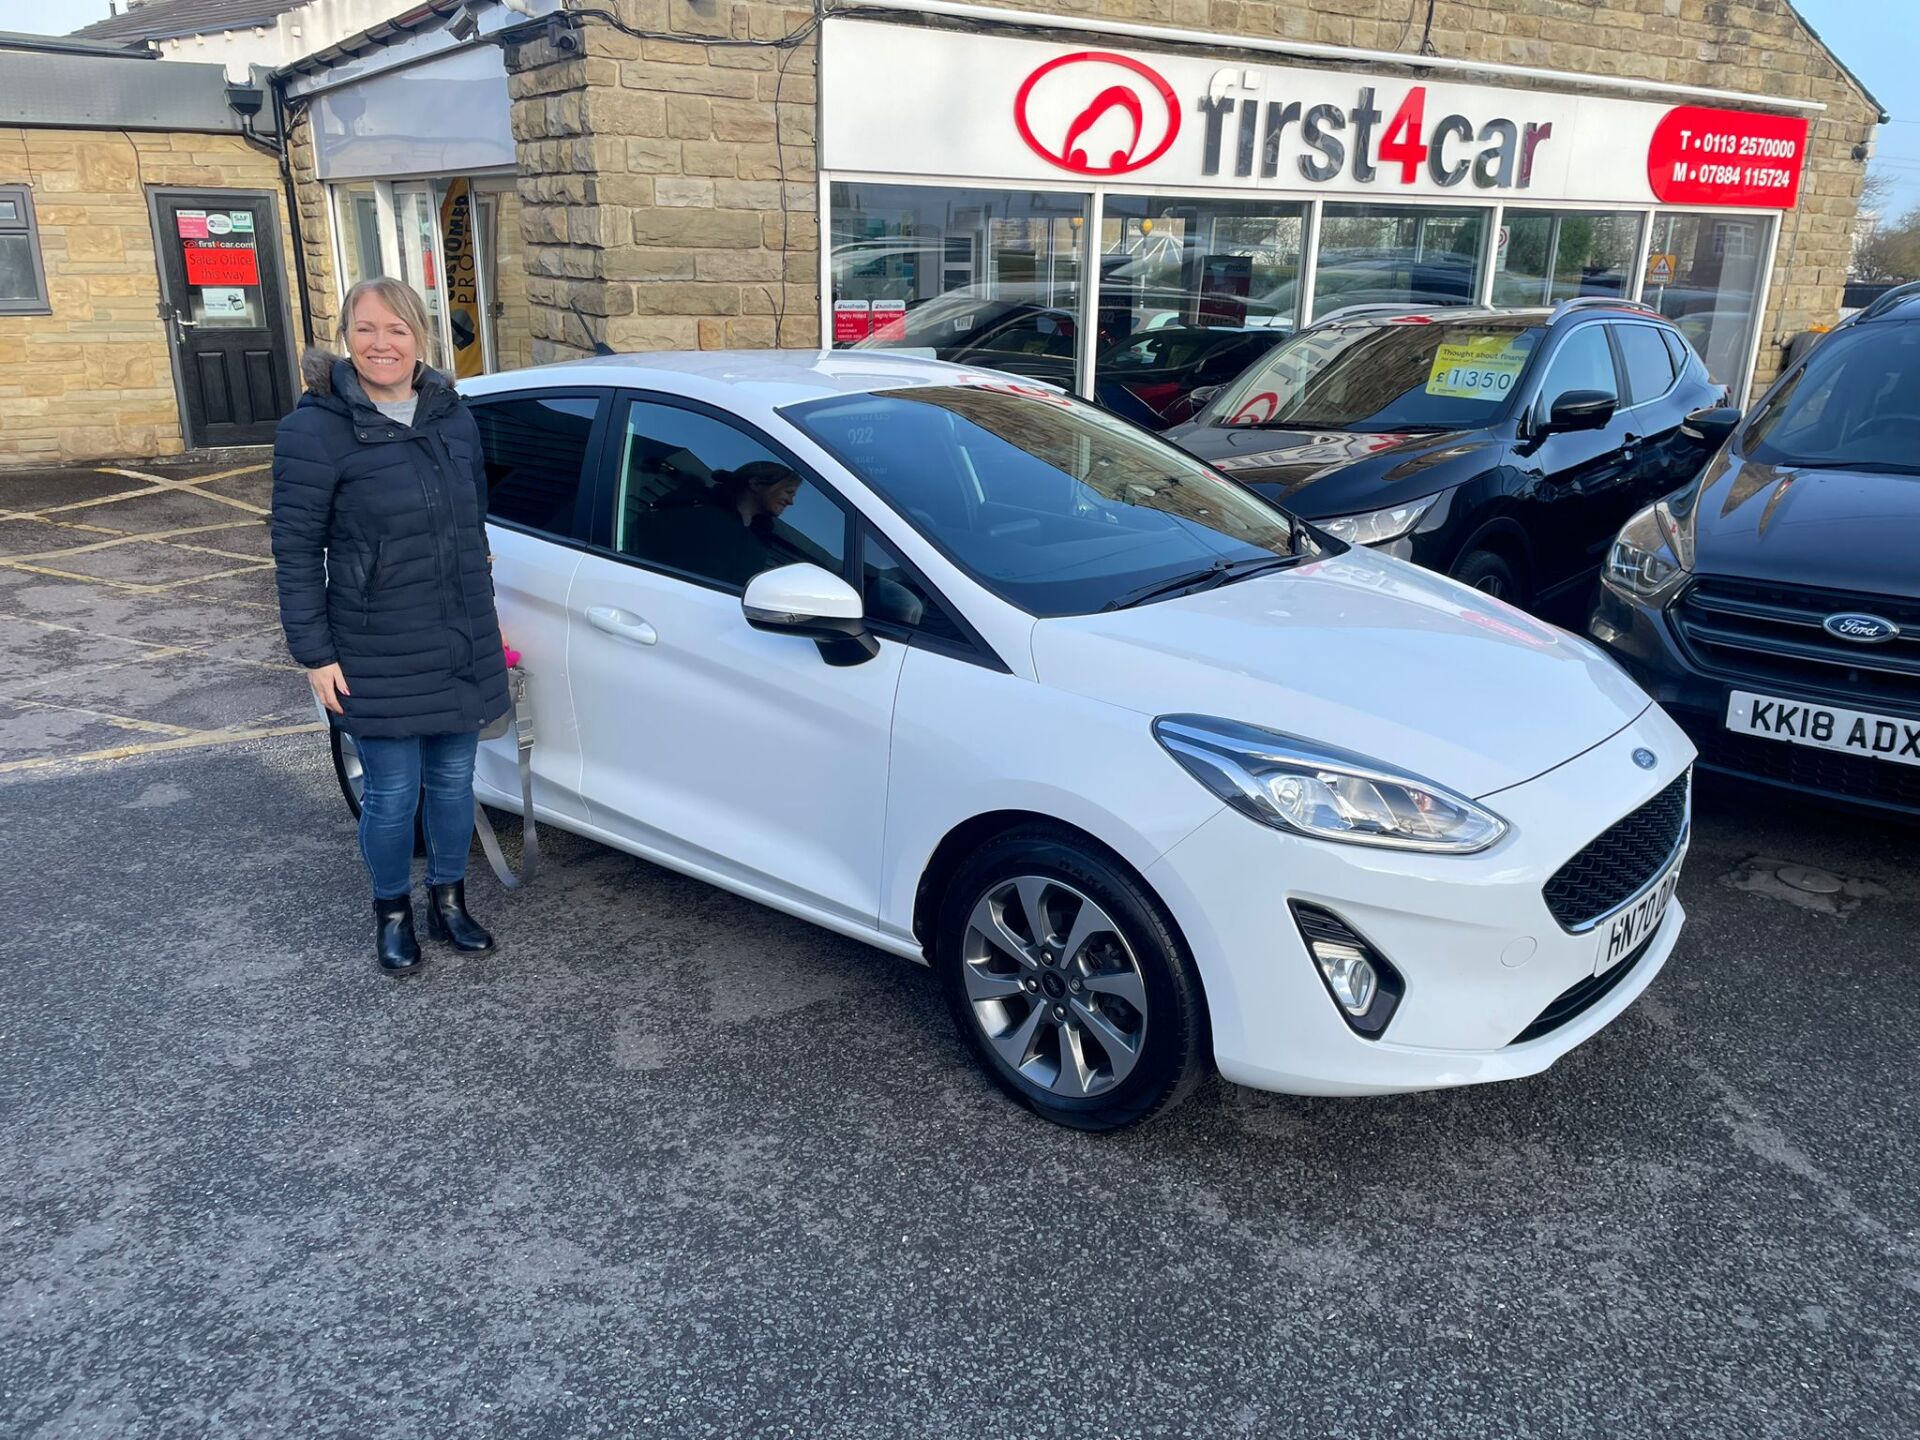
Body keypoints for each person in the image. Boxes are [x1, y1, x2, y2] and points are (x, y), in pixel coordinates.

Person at [271, 277, 510, 974]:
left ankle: (449, 901)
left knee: (454, 781)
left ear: (419, 339)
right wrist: (314, 653)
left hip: (458, 638)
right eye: (368, 329)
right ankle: (393, 911)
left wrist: (485, 616)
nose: (383, 344)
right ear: (347, 336)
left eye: (397, 330)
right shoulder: (314, 430)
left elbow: (472, 525)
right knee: (392, 792)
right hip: (372, 645)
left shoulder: (450, 415)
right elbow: (294, 550)